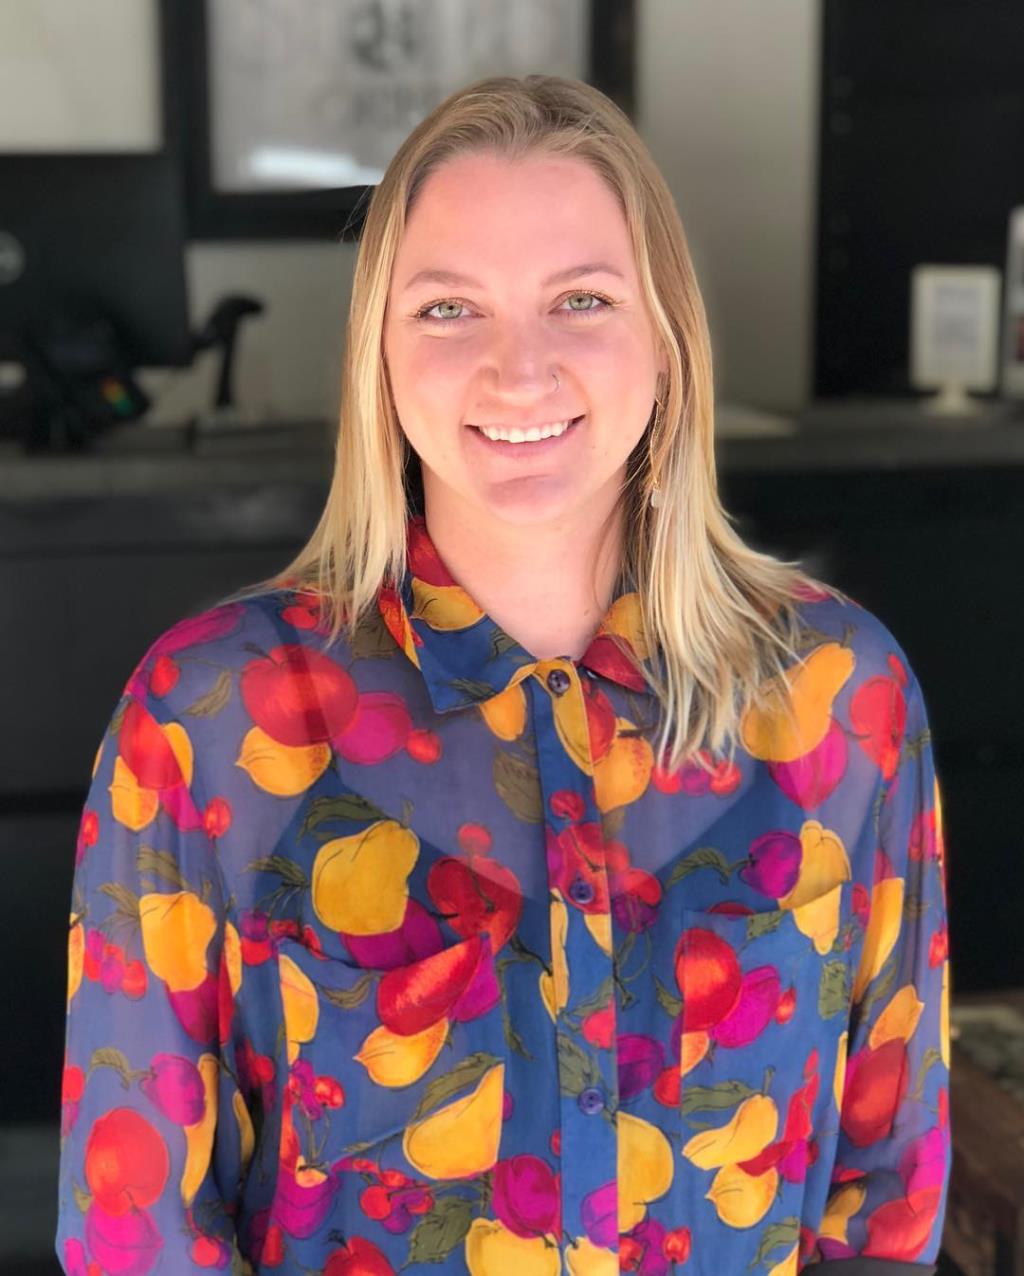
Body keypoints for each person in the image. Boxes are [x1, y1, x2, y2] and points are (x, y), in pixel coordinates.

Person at [56, 75, 951, 1276]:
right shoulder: (210, 717)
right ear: (378, 356)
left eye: (580, 299)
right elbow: (135, 1237)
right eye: (447, 308)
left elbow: (885, 1201)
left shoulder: (842, 695)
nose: (517, 370)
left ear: (666, 338)